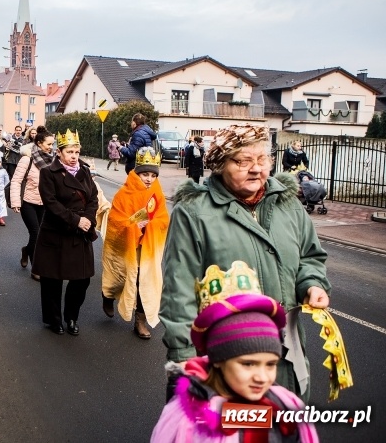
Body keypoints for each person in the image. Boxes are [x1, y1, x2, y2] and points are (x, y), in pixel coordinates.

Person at [160, 124, 331, 400]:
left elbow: (310, 256)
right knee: (234, 430)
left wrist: (312, 284)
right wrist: (184, 356)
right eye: (243, 161)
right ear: (220, 164)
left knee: (283, 428)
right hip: (227, 360)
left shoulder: (287, 203)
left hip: (285, 354)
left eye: (262, 159)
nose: (256, 169)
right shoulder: (194, 212)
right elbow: (178, 290)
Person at [152, 262, 319, 442]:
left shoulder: (285, 407)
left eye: (270, 364)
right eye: (248, 364)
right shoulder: (188, 420)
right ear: (217, 359)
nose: (262, 377)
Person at [101, 146, 169, 339]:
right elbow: (115, 220)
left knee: (142, 280)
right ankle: (107, 295)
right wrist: (133, 225)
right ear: (137, 173)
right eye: (145, 174)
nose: (149, 179)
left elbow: (164, 219)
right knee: (120, 276)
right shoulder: (123, 194)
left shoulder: (157, 193)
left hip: (145, 247)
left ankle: (140, 321)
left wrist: (152, 225)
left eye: (153, 175)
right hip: (125, 246)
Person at [34, 129, 98, 336]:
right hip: (57, 232)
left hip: (80, 235)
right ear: (59, 152)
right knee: (52, 280)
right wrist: (76, 220)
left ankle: (71, 317)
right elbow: (50, 203)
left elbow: (93, 198)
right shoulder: (48, 172)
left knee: (82, 279)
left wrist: (88, 219)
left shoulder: (85, 171)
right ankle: (54, 320)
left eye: (76, 152)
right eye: (69, 152)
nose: (73, 157)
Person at [10, 126, 55, 280]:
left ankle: (26, 250)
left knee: (41, 235)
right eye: (48, 144)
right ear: (39, 143)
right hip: (28, 202)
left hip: (45, 203)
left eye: (52, 144)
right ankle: (36, 269)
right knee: (36, 232)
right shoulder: (27, 159)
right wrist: (16, 202)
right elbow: (16, 181)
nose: (51, 147)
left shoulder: (53, 159)